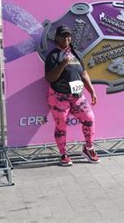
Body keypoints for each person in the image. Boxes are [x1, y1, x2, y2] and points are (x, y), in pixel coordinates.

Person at [45, 26, 99, 166]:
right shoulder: (53, 56)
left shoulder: (77, 54)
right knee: (61, 125)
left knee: (89, 119)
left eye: (69, 36)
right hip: (58, 97)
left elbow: (83, 74)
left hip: (77, 96)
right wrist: (63, 64)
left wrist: (92, 91)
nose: (66, 38)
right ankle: (63, 154)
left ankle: (89, 148)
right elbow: (50, 78)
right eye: (63, 36)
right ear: (57, 38)